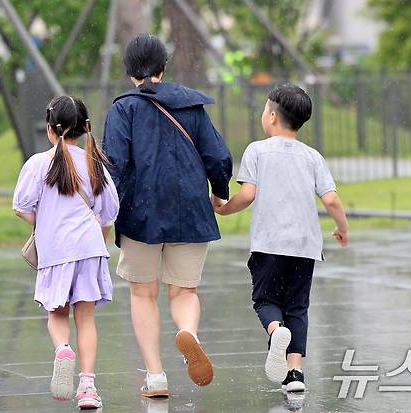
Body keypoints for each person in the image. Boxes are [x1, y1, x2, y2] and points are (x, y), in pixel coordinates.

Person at [102, 33, 233, 397]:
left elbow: (116, 165)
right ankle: (188, 332)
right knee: (184, 290)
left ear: (129, 71)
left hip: (141, 215)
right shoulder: (192, 106)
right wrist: (219, 191)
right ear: (164, 67)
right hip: (190, 210)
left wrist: (108, 211)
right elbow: (217, 155)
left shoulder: (122, 109)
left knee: (143, 294)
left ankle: (156, 377)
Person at [213, 84, 348, 393]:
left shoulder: (257, 150)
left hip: (269, 243)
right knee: (298, 307)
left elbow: (247, 195)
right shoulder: (312, 156)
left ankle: (275, 332)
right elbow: (331, 200)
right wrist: (342, 228)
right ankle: (295, 374)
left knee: (266, 300)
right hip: (305, 246)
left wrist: (223, 209)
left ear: (272, 116)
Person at [13, 96, 119, 409]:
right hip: (89, 249)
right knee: (85, 318)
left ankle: (62, 349)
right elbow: (109, 211)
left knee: (57, 313)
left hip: (55, 249)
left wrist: (43, 220)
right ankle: (87, 387)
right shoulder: (94, 163)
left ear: (50, 130)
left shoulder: (38, 164)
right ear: (85, 128)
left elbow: (21, 206)